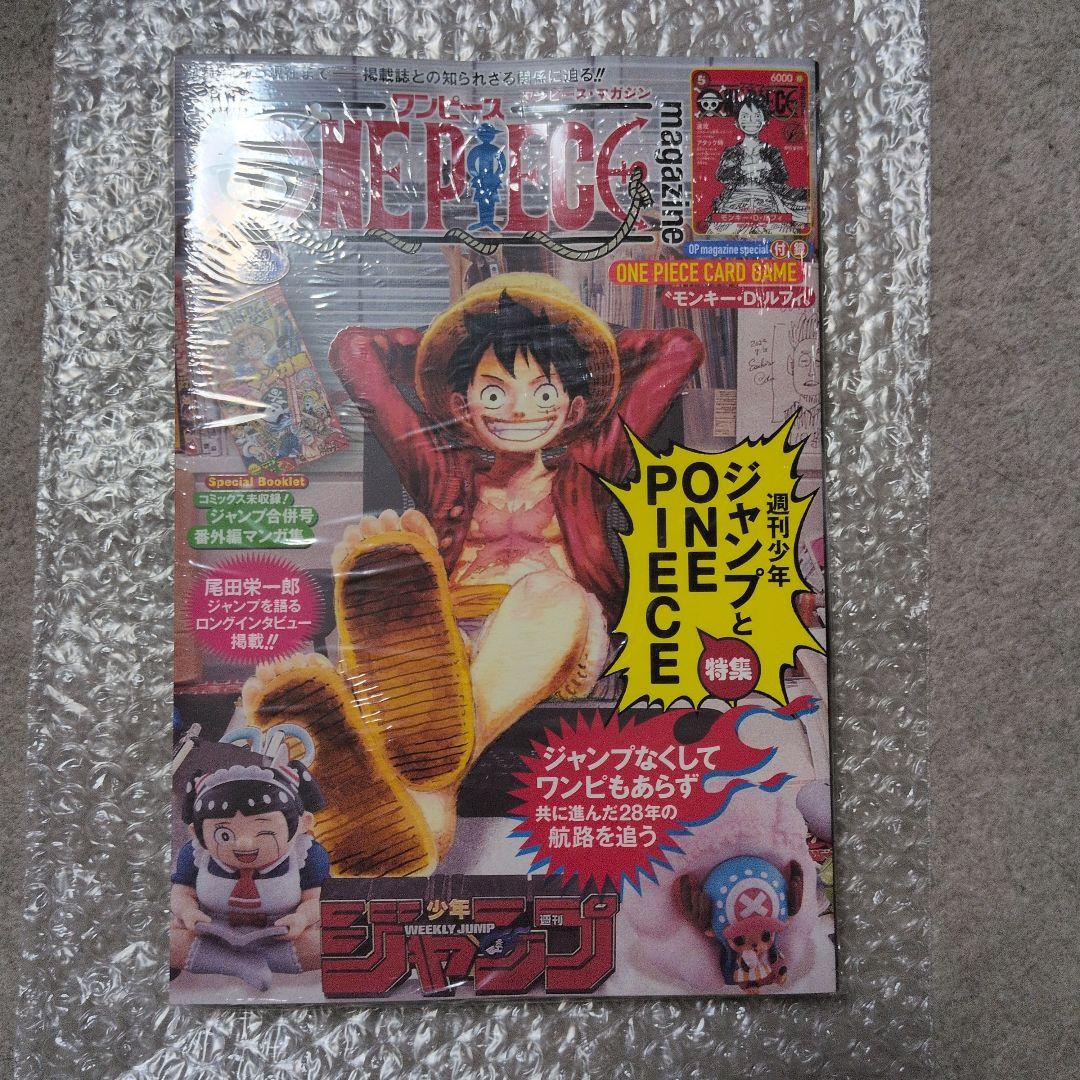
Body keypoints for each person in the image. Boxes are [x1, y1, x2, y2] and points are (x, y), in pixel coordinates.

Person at [246, 273, 705, 872]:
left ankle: (420, 769)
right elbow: (354, 349)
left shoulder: (594, 463)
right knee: (408, 613)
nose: (518, 409)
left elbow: (680, 349)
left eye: (544, 392)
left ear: (575, 407)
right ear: (461, 406)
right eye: (493, 392)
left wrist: (566, 329)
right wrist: (454, 338)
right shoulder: (441, 467)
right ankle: (421, 803)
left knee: (552, 592)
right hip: (439, 643)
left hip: (551, 637)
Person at [170, 759, 328, 989]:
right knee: (167, 941)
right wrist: (187, 912)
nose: (244, 844)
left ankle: (248, 961)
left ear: (303, 823)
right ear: (196, 832)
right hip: (211, 934)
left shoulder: (308, 854)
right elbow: (181, 893)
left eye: (263, 831)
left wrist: (302, 918)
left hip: (281, 936)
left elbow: (316, 899)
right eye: (224, 835)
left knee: (327, 944)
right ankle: (235, 964)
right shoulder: (195, 855)